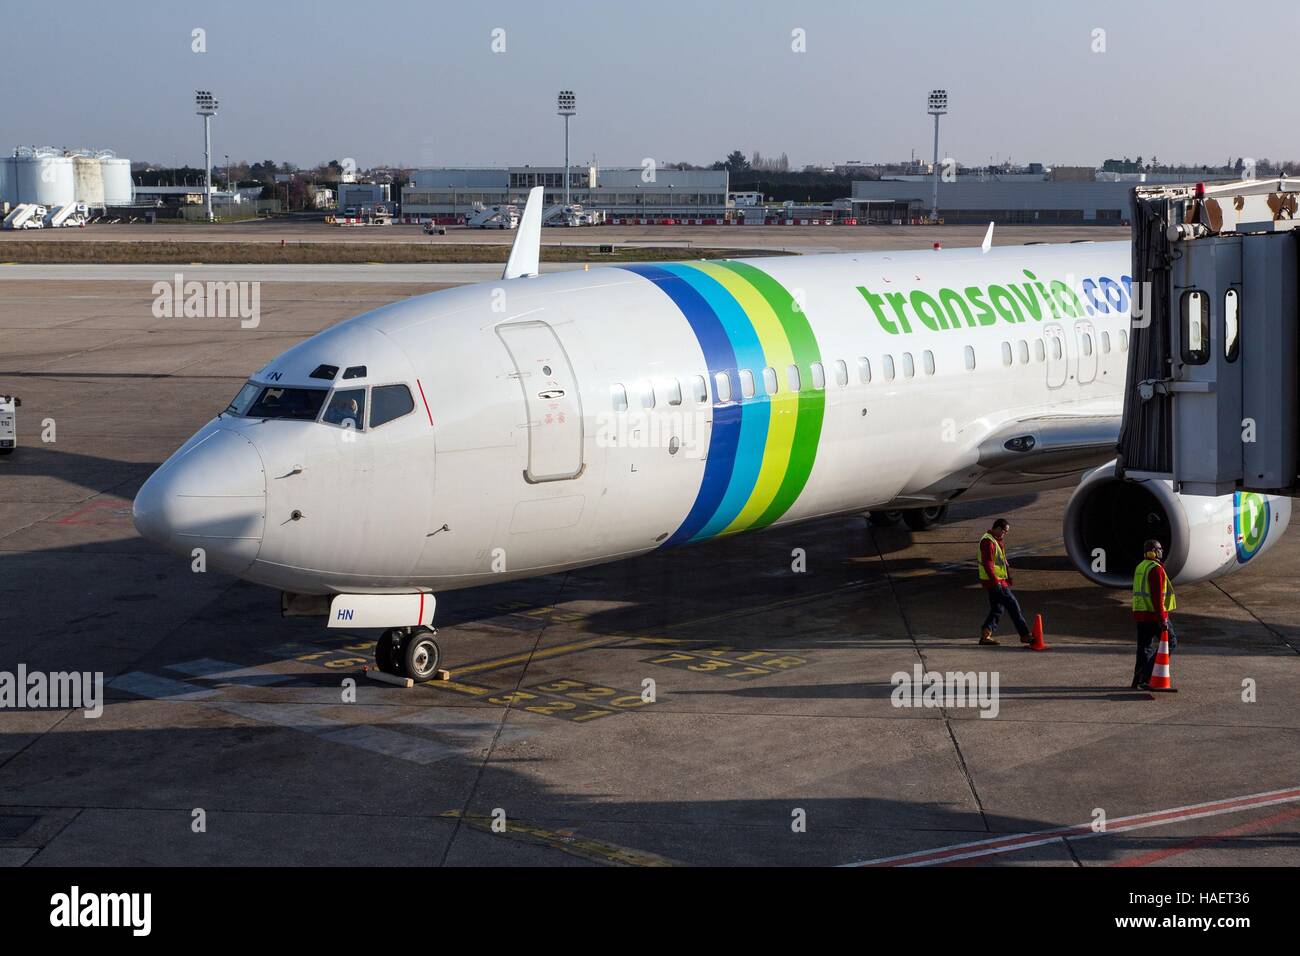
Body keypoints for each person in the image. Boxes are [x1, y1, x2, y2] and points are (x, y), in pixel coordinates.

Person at [1131, 539, 1177, 691]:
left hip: (1141, 615)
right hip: (1154, 615)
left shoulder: (1140, 566)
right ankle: (1147, 675)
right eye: (1160, 549)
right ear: (1154, 551)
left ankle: (1137, 680)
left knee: (1144, 648)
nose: (1162, 551)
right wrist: (1162, 618)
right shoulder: (1156, 569)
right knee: (1171, 642)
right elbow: (1157, 597)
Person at [977, 518, 1032, 646]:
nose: (1005, 534)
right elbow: (988, 563)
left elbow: (999, 561)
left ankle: (985, 635)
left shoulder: (995, 540)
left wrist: (1007, 576)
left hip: (997, 581)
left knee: (997, 608)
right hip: (995, 582)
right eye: (1004, 531)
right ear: (997, 528)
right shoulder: (988, 542)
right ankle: (1025, 635)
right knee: (1013, 605)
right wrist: (996, 581)